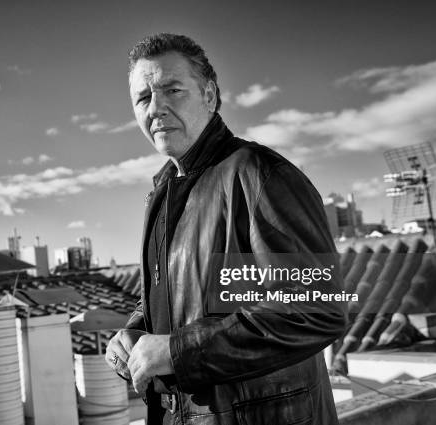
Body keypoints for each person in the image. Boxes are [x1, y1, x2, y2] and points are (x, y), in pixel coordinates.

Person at [105, 33, 347, 425]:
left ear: (210, 96)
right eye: (143, 98)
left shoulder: (260, 174)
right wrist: (134, 334)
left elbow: (316, 308)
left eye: (172, 89)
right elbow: (182, 293)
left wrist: (176, 351)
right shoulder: (163, 192)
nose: (157, 107)